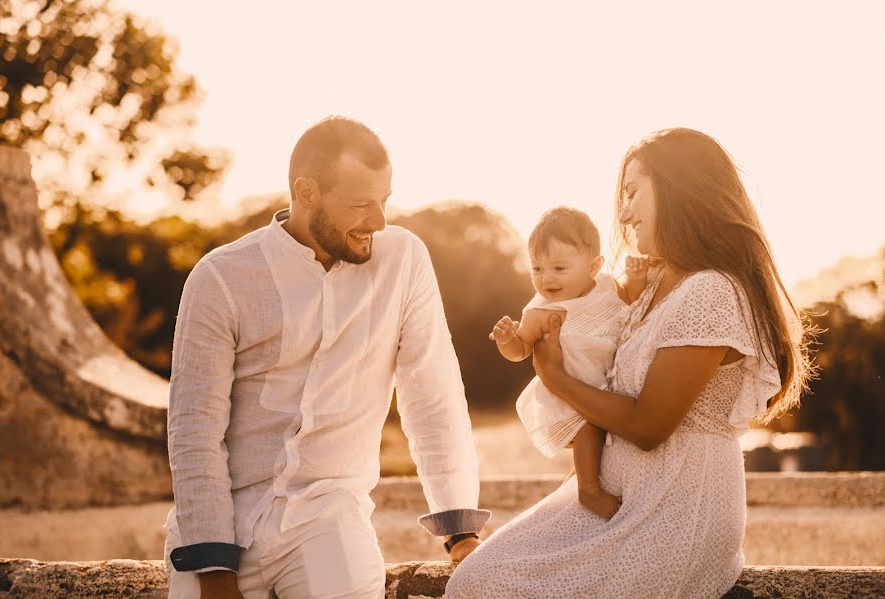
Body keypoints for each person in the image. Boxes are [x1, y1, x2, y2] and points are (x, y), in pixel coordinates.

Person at [447, 127, 814, 598]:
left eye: (633, 192)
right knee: (475, 579)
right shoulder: (649, 291)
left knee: (487, 585)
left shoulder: (711, 291)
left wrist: (554, 377)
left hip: (674, 510)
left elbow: (648, 425)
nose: (623, 212)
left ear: (678, 189)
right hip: (615, 504)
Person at [164, 116, 490, 599]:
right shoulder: (220, 279)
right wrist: (213, 567)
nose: (378, 222)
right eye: (360, 205)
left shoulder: (403, 261)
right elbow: (194, 429)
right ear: (307, 192)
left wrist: (459, 527)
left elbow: (433, 396)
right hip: (224, 521)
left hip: (328, 516)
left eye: (384, 201)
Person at [489, 207, 648, 519]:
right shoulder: (539, 313)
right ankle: (588, 489)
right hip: (574, 390)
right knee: (590, 427)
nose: (546, 278)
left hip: (608, 378)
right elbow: (521, 350)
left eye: (559, 268)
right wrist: (507, 339)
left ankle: (595, 478)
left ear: (593, 267)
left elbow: (630, 299)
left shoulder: (606, 287)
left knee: (614, 426)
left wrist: (637, 278)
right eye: (537, 269)